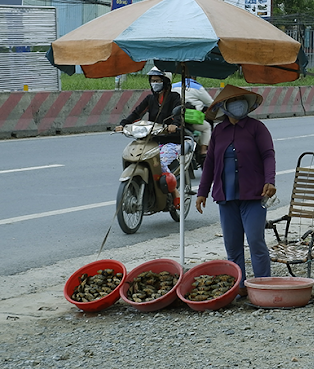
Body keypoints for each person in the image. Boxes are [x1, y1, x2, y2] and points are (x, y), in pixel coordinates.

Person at [195, 85, 276, 296]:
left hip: (254, 195)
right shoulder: (219, 131)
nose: (239, 105)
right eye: (233, 102)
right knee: (232, 246)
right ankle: (239, 288)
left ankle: (262, 286)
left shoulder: (257, 128)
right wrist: (202, 192)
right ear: (224, 106)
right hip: (226, 197)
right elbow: (210, 163)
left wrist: (270, 180)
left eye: (242, 101)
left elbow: (268, 155)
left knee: (256, 241)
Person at [116, 67, 183, 204]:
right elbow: (136, 114)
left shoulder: (174, 97)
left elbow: (179, 115)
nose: (154, 83)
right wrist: (123, 124)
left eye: (158, 80)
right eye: (152, 81)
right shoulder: (150, 99)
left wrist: (174, 125)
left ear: (165, 82)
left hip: (171, 141)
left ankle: (175, 192)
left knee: (160, 163)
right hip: (153, 141)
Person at [172, 73, 214, 157]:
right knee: (207, 127)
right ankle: (203, 150)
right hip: (191, 118)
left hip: (175, 118)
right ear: (194, 77)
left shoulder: (173, 86)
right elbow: (211, 103)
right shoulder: (198, 88)